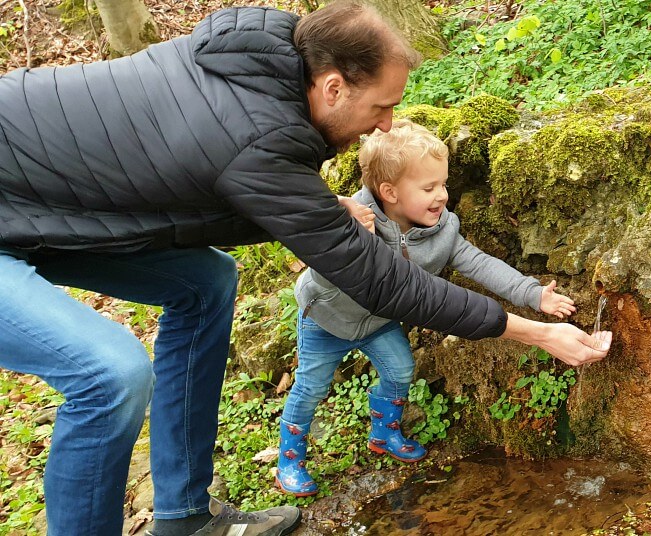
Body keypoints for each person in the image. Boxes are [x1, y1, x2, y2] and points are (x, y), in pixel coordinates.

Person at [0, 2, 609, 535]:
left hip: (35, 206)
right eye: (383, 106)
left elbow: (198, 177)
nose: (388, 124)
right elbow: (380, 279)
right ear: (335, 87)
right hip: (16, 203)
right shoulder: (256, 134)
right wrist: (533, 330)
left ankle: (184, 515)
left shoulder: (268, 71)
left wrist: (316, 207)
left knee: (206, 282)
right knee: (111, 374)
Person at [276, 119, 581, 496]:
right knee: (310, 387)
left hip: (380, 322)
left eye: (444, 184)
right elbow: (323, 278)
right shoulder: (352, 221)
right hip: (327, 319)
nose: (442, 196)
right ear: (389, 191)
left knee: (401, 367)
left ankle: (384, 433)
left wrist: (533, 294)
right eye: (429, 187)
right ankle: (290, 458)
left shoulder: (442, 230)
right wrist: (354, 244)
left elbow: (480, 263)